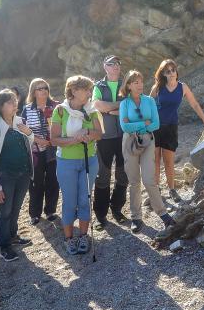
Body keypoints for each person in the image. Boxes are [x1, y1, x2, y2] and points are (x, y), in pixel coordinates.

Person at [50, 76, 102, 255]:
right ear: (73, 91)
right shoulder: (60, 111)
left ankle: (83, 236)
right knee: (70, 201)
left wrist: (88, 132)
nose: (90, 93)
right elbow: (54, 139)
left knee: (85, 199)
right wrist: (75, 139)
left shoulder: (91, 109)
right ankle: (68, 239)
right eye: (86, 89)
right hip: (66, 162)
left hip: (90, 160)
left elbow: (99, 134)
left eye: (90, 90)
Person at [119, 70, 175, 233]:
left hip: (148, 141)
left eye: (141, 82)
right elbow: (124, 127)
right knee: (134, 181)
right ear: (128, 85)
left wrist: (135, 124)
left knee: (149, 179)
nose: (140, 85)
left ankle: (163, 214)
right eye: (135, 82)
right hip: (129, 142)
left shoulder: (149, 100)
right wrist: (144, 122)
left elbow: (156, 124)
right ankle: (136, 217)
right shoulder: (124, 104)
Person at [149, 59, 204, 201]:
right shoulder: (157, 87)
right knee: (156, 161)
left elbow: (195, 104)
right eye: (168, 71)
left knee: (169, 161)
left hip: (171, 127)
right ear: (163, 74)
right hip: (155, 128)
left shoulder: (182, 87)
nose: (171, 73)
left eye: (173, 70)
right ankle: (156, 191)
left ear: (176, 72)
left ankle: (172, 190)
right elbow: (147, 105)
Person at [0, 89, 34, 262]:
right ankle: (4, 246)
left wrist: (29, 133)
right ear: (0, 106)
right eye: (10, 102)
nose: (15, 104)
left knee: (16, 208)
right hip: (6, 176)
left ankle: (13, 236)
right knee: (5, 211)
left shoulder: (20, 121)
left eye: (15, 101)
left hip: (24, 173)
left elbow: (29, 142)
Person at [91, 55, 129, 230]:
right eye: (111, 64)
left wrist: (110, 109)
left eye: (117, 63)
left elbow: (131, 106)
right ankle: (100, 215)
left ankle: (117, 209)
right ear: (104, 67)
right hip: (104, 138)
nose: (115, 66)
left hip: (124, 136)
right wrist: (118, 107)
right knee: (103, 177)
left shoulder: (125, 84)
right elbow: (98, 106)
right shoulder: (98, 86)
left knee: (123, 175)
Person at [21, 78, 60, 225]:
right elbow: (24, 130)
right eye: (39, 88)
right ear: (33, 91)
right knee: (36, 183)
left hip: (54, 150)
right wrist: (38, 140)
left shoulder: (56, 106)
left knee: (53, 180)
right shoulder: (27, 109)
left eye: (45, 87)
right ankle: (35, 214)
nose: (43, 90)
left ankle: (50, 210)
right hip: (35, 151)